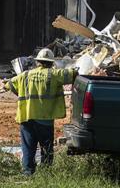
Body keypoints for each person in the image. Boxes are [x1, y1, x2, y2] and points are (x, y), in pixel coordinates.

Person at [9, 48, 78, 176]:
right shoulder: (55, 74)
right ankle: (46, 173)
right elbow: (73, 74)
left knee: (28, 148)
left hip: (26, 117)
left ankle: (28, 173)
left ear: (37, 62)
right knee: (46, 148)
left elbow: (10, 84)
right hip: (44, 119)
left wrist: (20, 93)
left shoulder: (25, 75)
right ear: (51, 63)